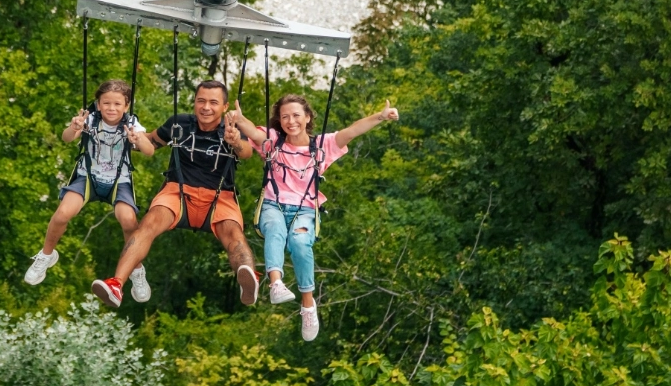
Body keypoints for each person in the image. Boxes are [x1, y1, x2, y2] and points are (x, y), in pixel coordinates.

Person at [227, 94, 399, 341]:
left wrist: (380, 117)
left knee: (299, 242)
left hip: (305, 209)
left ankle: (308, 305)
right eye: (285, 117)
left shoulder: (321, 145)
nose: (291, 121)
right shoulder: (273, 142)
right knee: (275, 229)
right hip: (274, 204)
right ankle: (275, 283)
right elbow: (252, 133)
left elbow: (352, 131)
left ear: (307, 117)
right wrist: (238, 119)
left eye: (296, 115)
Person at [91, 80, 259, 308]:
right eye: (201, 101)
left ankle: (247, 277)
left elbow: (247, 152)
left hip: (219, 196)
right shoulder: (179, 124)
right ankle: (116, 284)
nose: (206, 107)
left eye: (213, 102)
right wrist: (127, 137)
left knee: (234, 235)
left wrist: (235, 141)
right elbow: (150, 141)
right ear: (194, 102)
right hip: (178, 191)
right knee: (148, 224)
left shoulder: (232, 129)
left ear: (224, 106)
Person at [24, 80, 155, 303]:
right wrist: (74, 127)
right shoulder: (90, 119)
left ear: (126, 105)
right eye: (106, 103)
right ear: (98, 103)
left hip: (118, 181)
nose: (111, 108)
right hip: (87, 177)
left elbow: (150, 151)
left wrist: (138, 139)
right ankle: (46, 255)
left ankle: (136, 269)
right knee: (63, 213)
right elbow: (67, 138)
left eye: (117, 104)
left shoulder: (131, 123)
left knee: (129, 221)